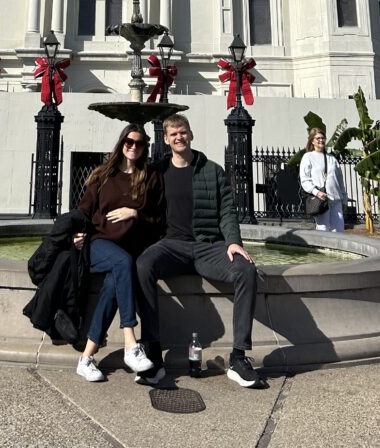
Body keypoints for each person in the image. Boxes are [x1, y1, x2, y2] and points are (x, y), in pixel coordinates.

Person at [135, 114, 267, 390]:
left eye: (182, 132)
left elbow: (227, 211)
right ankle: (153, 354)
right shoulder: (157, 171)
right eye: (173, 134)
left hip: (208, 247)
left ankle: (239, 357)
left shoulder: (212, 170)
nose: (179, 137)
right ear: (167, 139)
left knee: (245, 270)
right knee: (143, 264)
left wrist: (233, 242)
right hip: (172, 245)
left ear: (190, 134)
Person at [73, 124, 164, 382]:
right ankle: (130, 342)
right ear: (121, 143)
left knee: (113, 285)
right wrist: (76, 235)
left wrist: (135, 213)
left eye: (139, 143)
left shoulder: (151, 177)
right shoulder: (103, 175)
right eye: (129, 142)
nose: (133, 147)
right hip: (99, 244)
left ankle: (86, 358)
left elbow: (158, 219)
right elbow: (84, 211)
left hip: (130, 249)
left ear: (145, 147)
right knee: (122, 263)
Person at [299, 128, 347, 234]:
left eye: (323, 138)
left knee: (339, 230)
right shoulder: (308, 157)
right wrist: (316, 192)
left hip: (335, 199)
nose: (321, 140)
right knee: (323, 230)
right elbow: (305, 180)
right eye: (318, 138)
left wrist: (344, 198)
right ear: (312, 141)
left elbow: (340, 181)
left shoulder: (332, 159)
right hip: (321, 200)